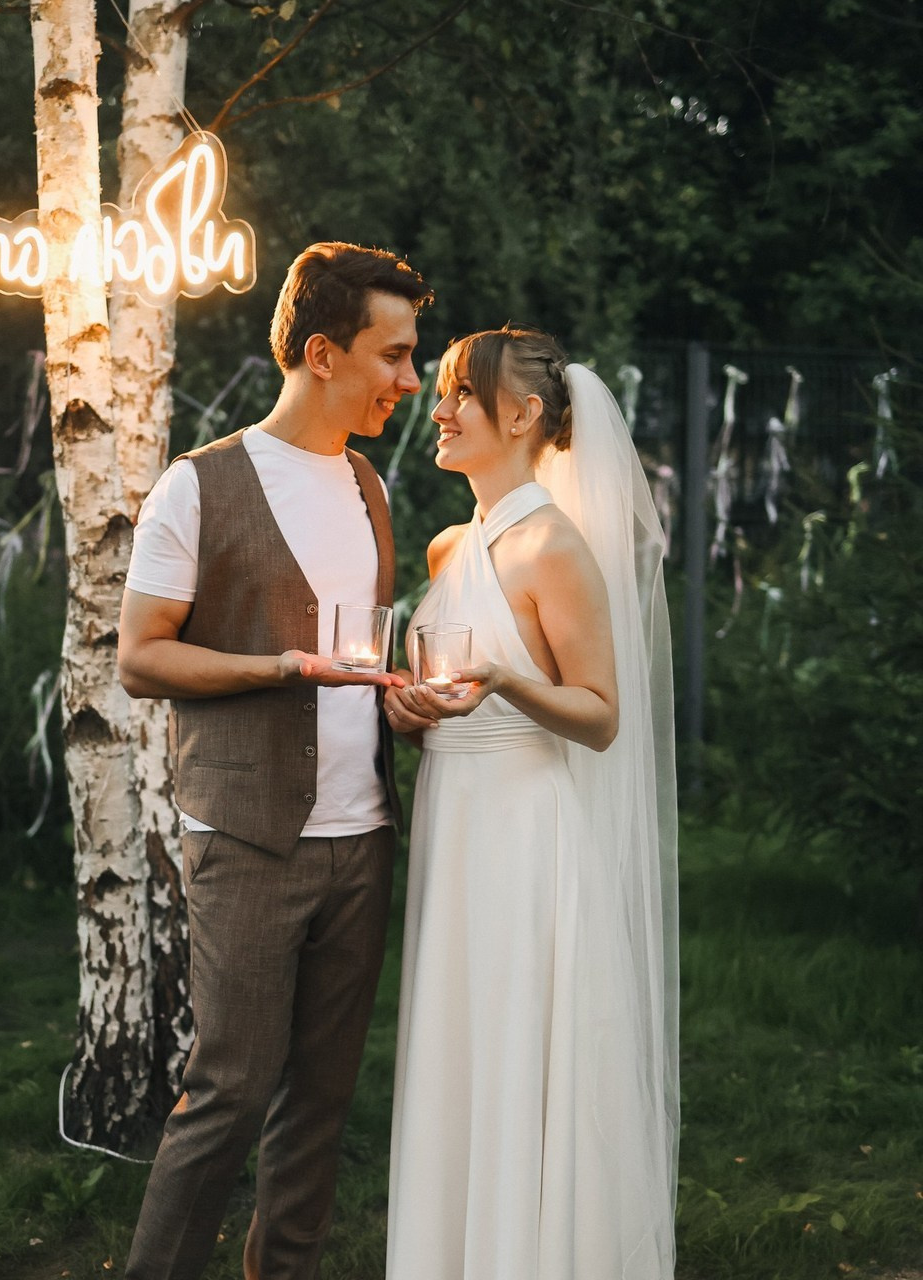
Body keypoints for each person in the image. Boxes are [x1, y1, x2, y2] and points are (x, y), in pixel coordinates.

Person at [117, 241, 433, 1280]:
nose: (409, 378)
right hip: (248, 839)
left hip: (363, 836)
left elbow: (367, 659)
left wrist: (408, 703)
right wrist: (278, 667)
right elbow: (139, 656)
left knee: (320, 1100)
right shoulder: (197, 485)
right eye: (392, 354)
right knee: (232, 1090)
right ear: (319, 352)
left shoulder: (369, 485)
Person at [383, 325, 678, 1279]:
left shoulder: (554, 547)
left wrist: (505, 680)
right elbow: (444, 703)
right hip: (453, 824)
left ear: (520, 415)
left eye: (458, 392)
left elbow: (598, 717)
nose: (438, 407)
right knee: (459, 1052)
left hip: (523, 831)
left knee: (519, 1048)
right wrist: (409, 710)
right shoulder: (446, 548)